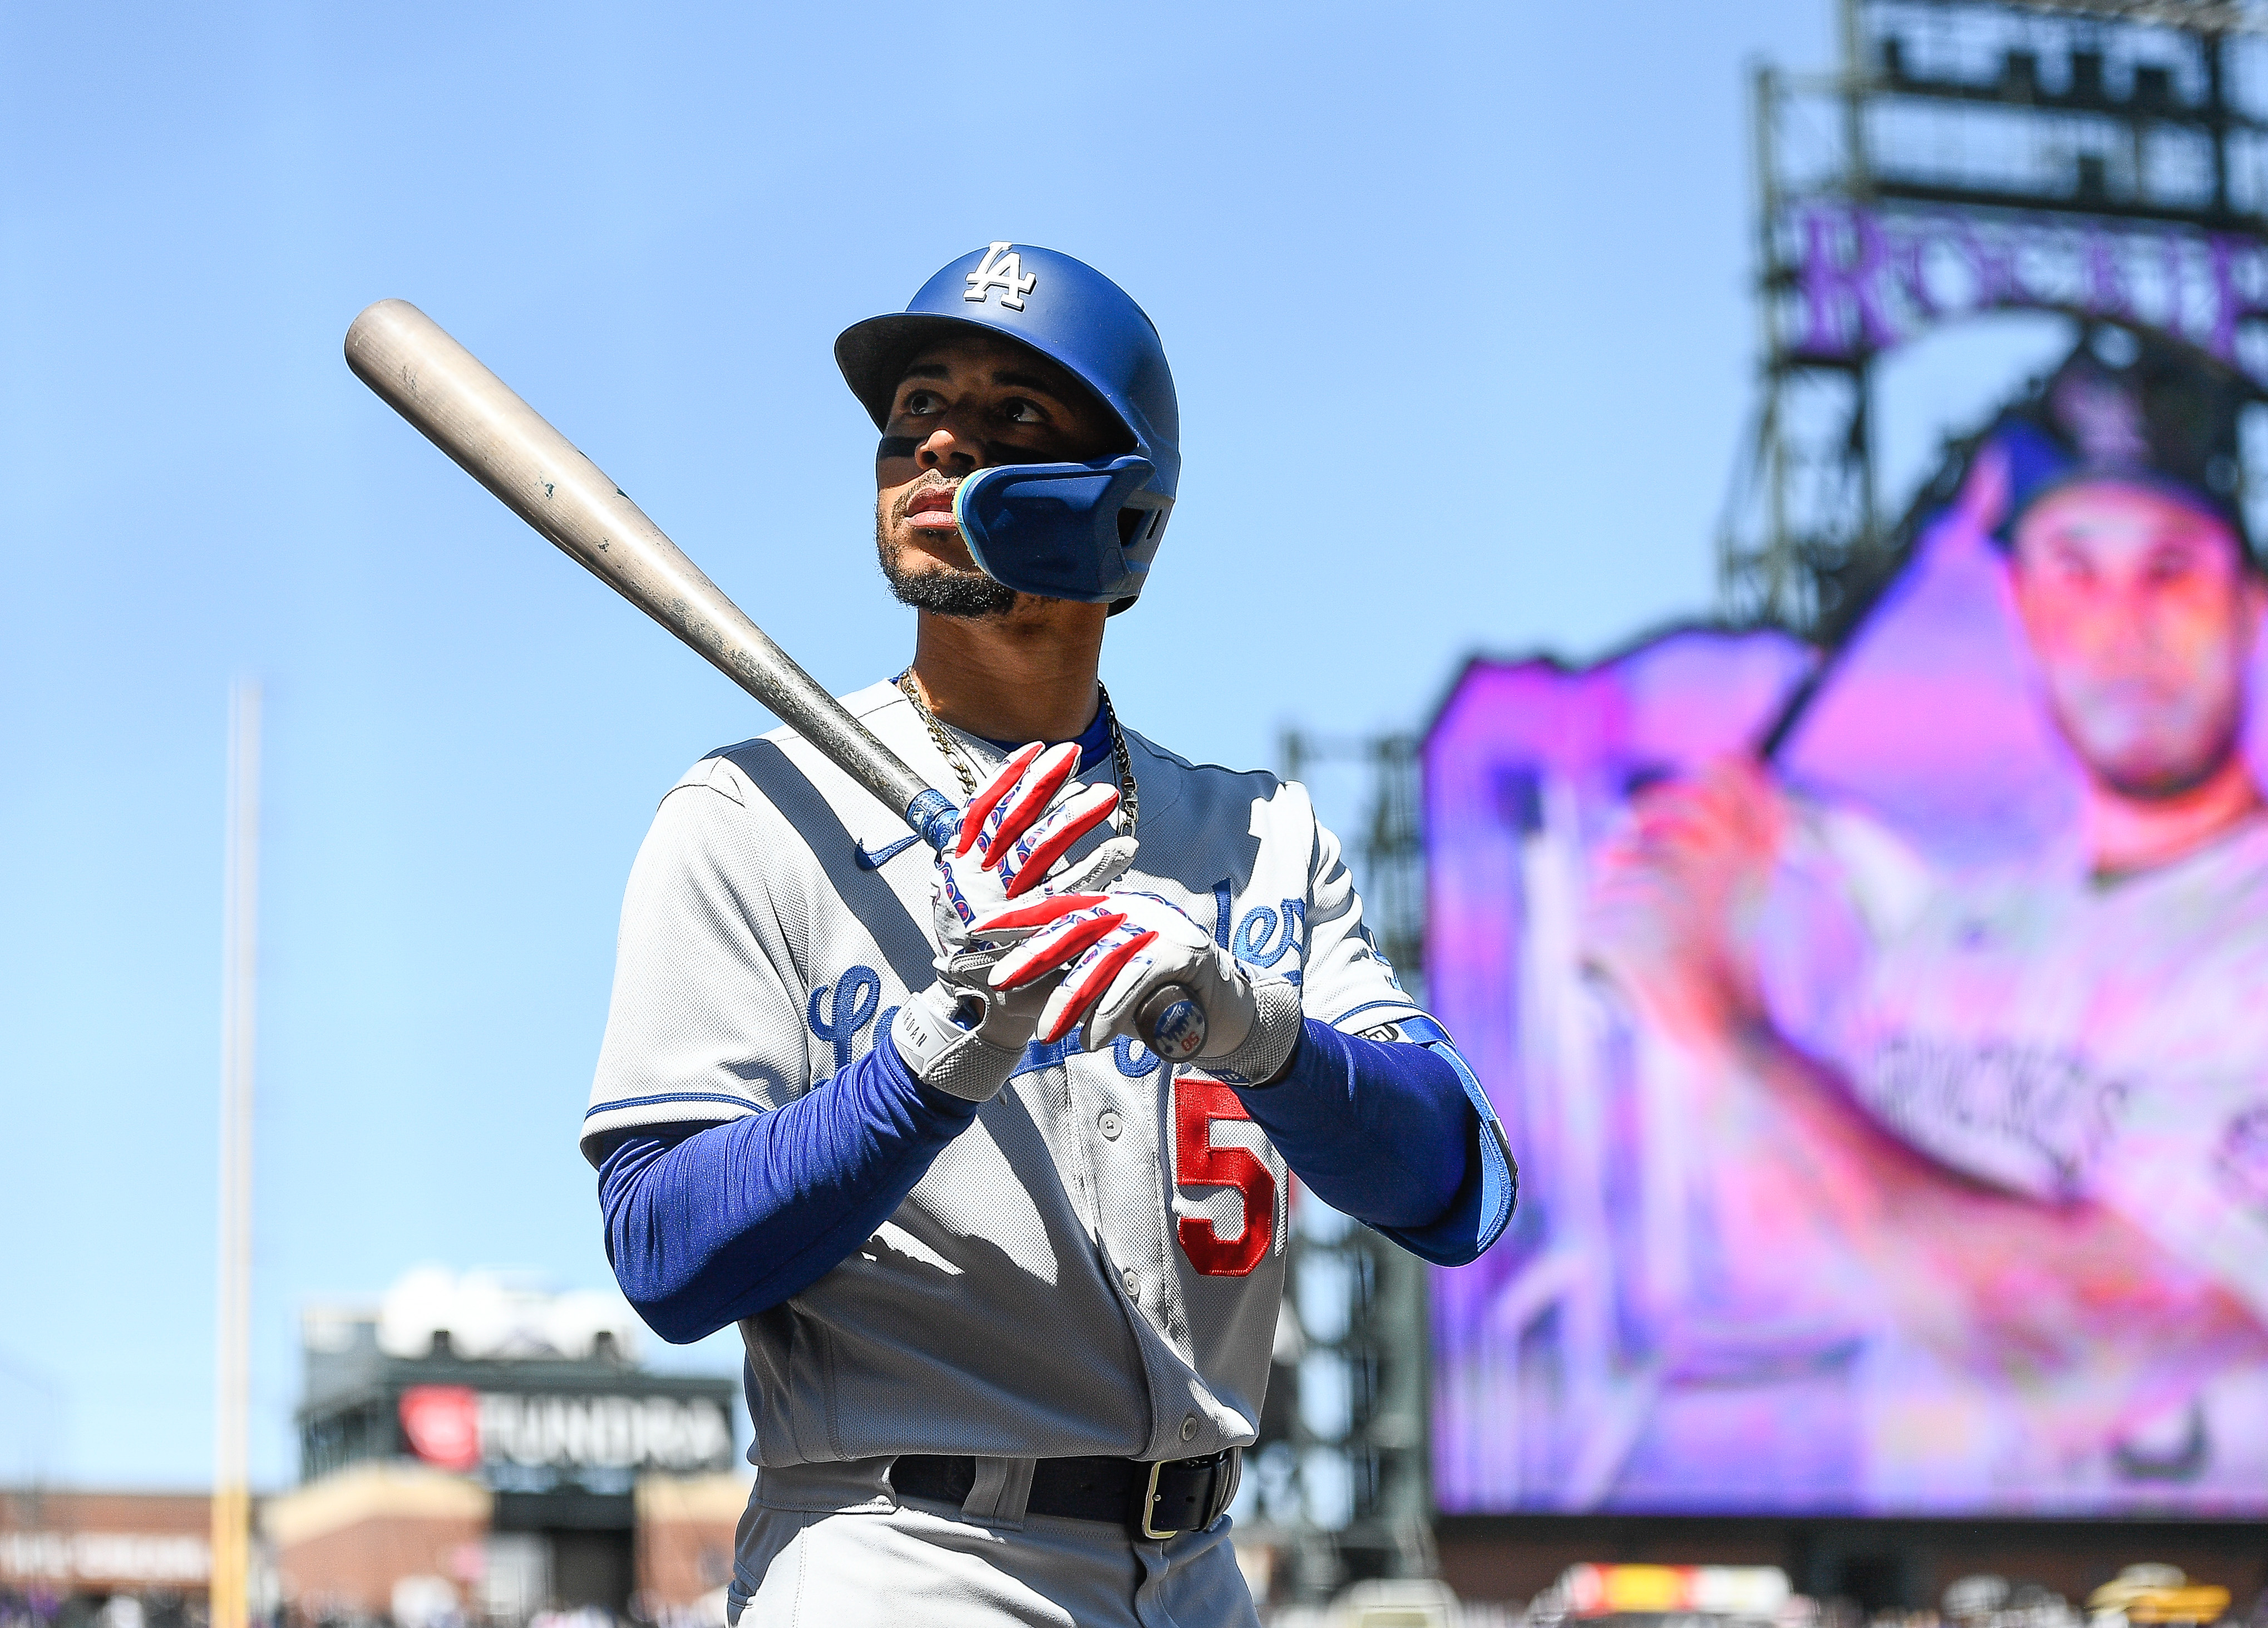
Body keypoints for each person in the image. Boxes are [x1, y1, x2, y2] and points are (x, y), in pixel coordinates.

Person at [579, 243, 1516, 1624]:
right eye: (914, 411)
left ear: (1124, 507)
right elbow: (663, 1249)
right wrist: (937, 1050)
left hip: (1202, 1566)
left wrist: (1261, 1032)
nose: (933, 441)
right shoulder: (753, 813)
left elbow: (1455, 1183)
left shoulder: (1253, 835)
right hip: (900, 1553)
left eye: (1011, 414)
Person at [1584, 326, 2268, 1506]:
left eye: (2170, 569)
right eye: (2073, 565)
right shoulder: (1961, 930)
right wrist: (1716, 940)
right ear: (2019, 601)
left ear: (2247, 598)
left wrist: (1723, 1025)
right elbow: (1799, 1240)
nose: (2122, 623)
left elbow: (2095, 1350)